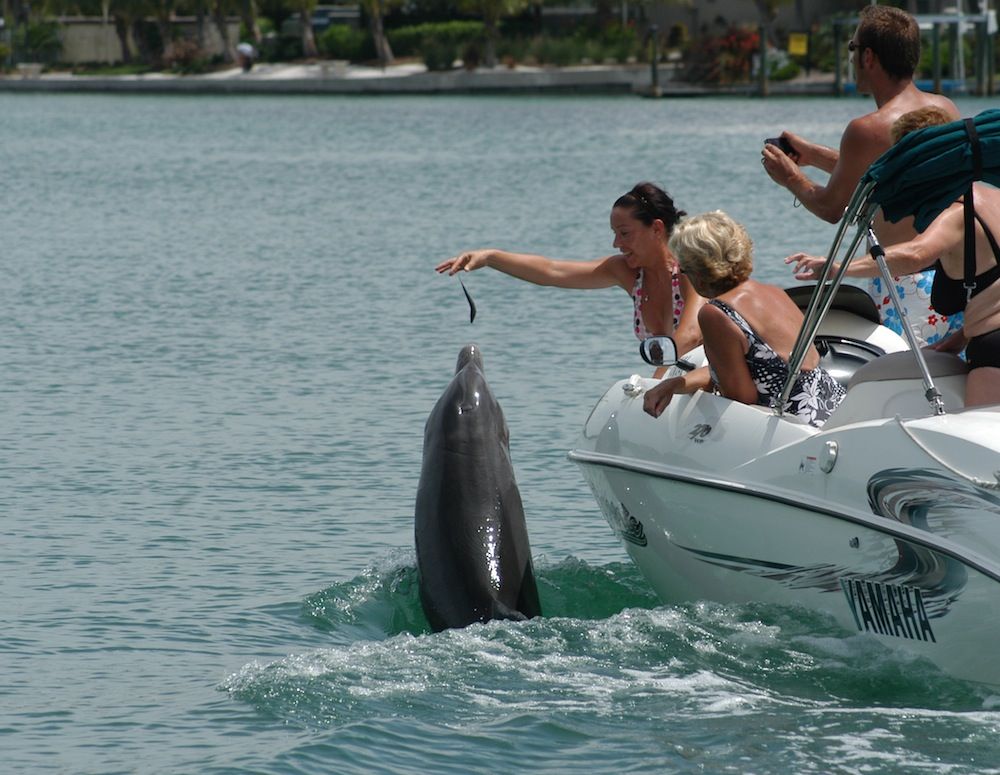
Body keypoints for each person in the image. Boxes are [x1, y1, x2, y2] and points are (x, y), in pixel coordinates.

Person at [761, 5, 961, 346]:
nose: (852, 57)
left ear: (868, 56)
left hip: (903, 283)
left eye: (853, 49)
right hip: (950, 273)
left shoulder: (865, 129)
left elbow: (831, 208)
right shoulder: (944, 109)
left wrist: (790, 177)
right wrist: (811, 155)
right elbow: (887, 172)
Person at [789, 107, 1000, 408]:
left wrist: (838, 268)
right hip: (981, 338)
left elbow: (915, 254)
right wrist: (958, 340)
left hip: (994, 349)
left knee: (983, 449)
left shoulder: (955, 212)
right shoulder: (993, 197)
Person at [436, 182, 705, 357]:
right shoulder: (627, 272)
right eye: (614, 234)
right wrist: (490, 257)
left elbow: (691, 336)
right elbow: (552, 271)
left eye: (624, 234)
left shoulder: (689, 270)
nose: (616, 244)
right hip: (670, 389)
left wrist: (656, 383)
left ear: (656, 229)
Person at [643, 211, 845, 427]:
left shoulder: (716, 313)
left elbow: (741, 399)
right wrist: (674, 384)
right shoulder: (775, 293)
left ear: (698, 270)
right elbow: (763, 371)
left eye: (683, 269)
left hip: (795, 429)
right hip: (835, 412)